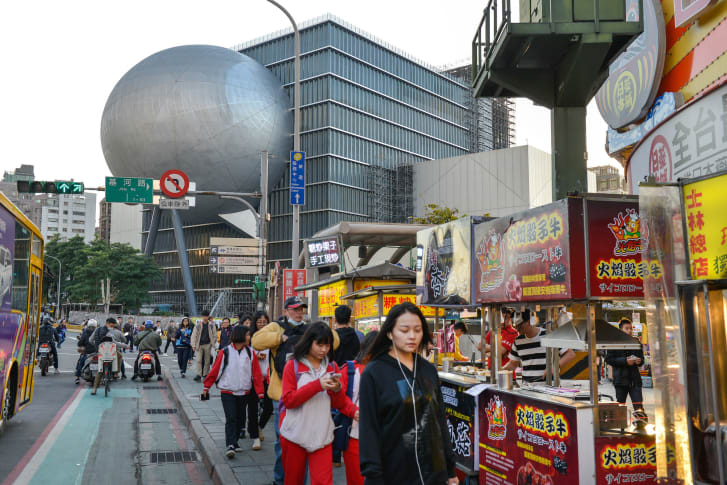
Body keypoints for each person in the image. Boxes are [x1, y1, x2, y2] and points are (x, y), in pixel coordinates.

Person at [359, 302, 458, 485]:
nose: (412, 336)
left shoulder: (428, 370)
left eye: (418, 330)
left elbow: (439, 419)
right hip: (394, 473)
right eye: (404, 330)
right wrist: (373, 476)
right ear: (389, 333)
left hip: (433, 473)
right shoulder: (374, 373)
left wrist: (449, 469)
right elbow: (368, 430)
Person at [252, 296, 340, 485]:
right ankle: (281, 480)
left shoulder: (310, 328)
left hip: (314, 398)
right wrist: (281, 338)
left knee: (312, 444)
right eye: (294, 309)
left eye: (301, 309)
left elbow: (336, 340)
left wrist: (312, 335)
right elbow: (256, 340)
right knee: (284, 445)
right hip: (283, 395)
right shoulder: (277, 326)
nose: (299, 313)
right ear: (285, 311)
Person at [279, 322, 356, 485]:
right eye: (319, 345)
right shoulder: (292, 366)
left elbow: (338, 403)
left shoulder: (331, 367)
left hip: (323, 436)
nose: (324, 350)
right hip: (294, 434)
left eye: (327, 345)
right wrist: (317, 385)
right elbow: (289, 400)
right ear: (309, 343)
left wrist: (337, 389)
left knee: (323, 481)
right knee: (293, 480)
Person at [203, 325, 265, 457]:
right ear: (240, 336)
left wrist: (260, 393)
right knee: (231, 418)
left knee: (240, 419)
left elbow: (257, 374)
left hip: (244, 392)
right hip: (227, 391)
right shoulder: (224, 352)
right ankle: (230, 445)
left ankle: (235, 442)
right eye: (248, 335)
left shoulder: (250, 352)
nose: (250, 337)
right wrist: (206, 387)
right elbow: (215, 371)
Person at [337, 331, 378, 485]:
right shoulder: (350, 370)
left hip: (383, 438)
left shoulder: (389, 371)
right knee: (356, 478)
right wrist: (352, 411)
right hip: (354, 436)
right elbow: (338, 399)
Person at [503, 311, 576, 383]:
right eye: (515, 326)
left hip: (548, 385)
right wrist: (500, 371)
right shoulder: (518, 341)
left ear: (528, 322)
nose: (517, 329)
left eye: (519, 326)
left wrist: (554, 367)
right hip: (527, 386)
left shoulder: (549, 335)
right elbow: (513, 363)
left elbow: (570, 354)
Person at [331, 304, 361, 467]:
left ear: (335, 319)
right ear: (350, 318)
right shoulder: (356, 336)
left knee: (338, 412)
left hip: (337, 376)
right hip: (353, 376)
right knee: (349, 411)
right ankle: (345, 448)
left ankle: (335, 454)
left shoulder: (333, 336)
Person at [606, 318, 645, 413]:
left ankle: (641, 424)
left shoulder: (636, 341)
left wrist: (639, 361)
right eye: (627, 328)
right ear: (620, 330)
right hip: (620, 381)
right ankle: (621, 427)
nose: (630, 331)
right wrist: (625, 361)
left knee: (639, 407)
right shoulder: (614, 342)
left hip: (635, 380)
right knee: (620, 406)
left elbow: (642, 359)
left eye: (631, 328)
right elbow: (609, 359)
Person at [250, 311, 273, 442]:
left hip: (268, 377)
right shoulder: (251, 337)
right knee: (253, 407)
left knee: (269, 407)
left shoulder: (272, 337)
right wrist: (255, 356)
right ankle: (254, 436)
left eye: (265, 322)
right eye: (259, 322)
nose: (262, 325)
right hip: (254, 377)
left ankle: (259, 427)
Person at [91, 318, 129, 393]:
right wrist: (125, 346)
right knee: (119, 355)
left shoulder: (97, 330)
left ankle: (94, 389)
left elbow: (90, 340)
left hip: (100, 352)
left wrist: (97, 346)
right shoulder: (109, 332)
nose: (113, 326)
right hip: (110, 352)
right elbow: (115, 343)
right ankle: (116, 373)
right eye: (112, 324)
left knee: (100, 371)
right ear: (109, 323)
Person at [191, 310, 218, 381]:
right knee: (198, 360)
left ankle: (205, 374)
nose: (205, 317)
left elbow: (215, 335)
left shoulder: (212, 325)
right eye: (204, 316)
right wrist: (193, 345)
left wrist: (212, 343)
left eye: (206, 316)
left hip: (208, 345)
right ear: (202, 316)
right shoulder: (198, 325)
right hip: (199, 345)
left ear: (208, 316)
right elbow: (194, 336)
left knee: (207, 361)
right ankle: (199, 375)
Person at [76, 319, 98, 384]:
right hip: (97, 352)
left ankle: (77, 377)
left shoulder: (85, 332)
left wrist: (81, 344)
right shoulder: (98, 332)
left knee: (81, 362)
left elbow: (80, 343)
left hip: (88, 353)